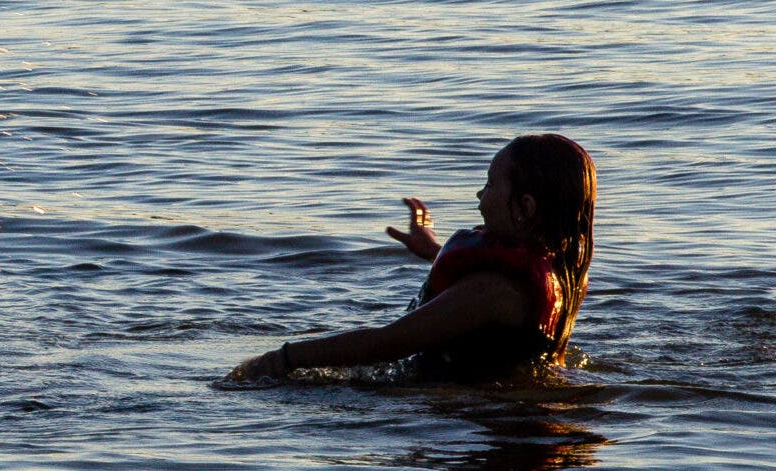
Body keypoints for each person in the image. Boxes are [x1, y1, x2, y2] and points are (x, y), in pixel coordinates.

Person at [235, 134, 594, 381]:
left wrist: (282, 359)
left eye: (489, 185)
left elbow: (387, 343)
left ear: (525, 208)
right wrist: (435, 252)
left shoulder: (494, 291)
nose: (479, 196)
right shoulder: (556, 270)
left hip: (469, 413)